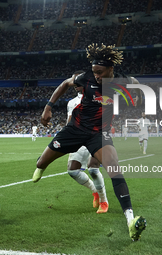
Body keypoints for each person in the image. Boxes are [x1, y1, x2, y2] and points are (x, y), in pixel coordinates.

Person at [32, 44, 146, 241]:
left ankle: (130, 220)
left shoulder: (122, 81)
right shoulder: (85, 77)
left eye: (100, 72)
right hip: (75, 130)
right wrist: (48, 107)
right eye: (94, 72)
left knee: (115, 171)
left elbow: (138, 85)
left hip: (99, 134)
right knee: (41, 163)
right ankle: (41, 166)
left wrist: (140, 98)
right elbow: (65, 84)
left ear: (111, 69)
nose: (97, 76)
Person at [66, 81, 108, 213]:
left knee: (93, 169)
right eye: (75, 84)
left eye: (78, 83)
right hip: (79, 138)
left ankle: (104, 201)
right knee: (72, 171)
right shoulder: (71, 102)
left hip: (96, 136)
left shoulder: (99, 97)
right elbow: (70, 121)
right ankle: (95, 191)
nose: (76, 86)